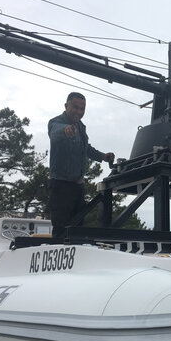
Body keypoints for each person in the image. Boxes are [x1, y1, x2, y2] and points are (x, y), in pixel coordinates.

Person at [48, 92, 115, 237]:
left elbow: (86, 149)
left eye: (82, 108)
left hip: (78, 187)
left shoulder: (81, 127)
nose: (79, 112)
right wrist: (65, 131)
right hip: (61, 187)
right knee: (60, 230)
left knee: (77, 228)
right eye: (75, 107)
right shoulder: (55, 122)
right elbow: (55, 132)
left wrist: (103, 156)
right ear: (66, 106)